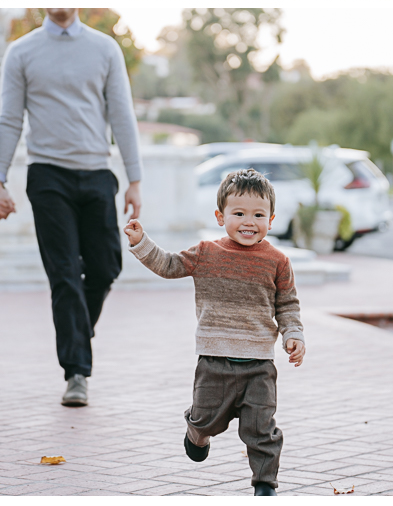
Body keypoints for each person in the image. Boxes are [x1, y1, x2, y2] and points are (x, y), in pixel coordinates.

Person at [0, 7, 142, 407]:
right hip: (47, 177)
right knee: (64, 275)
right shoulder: (21, 52)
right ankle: (76, 373)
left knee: (107, 266)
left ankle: (76, 333)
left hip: (96, 173)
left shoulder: (105, 48)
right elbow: (9, 119)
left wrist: (134, 180)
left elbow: (121, 114)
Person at [125, 169, 305, 497]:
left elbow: (288, 305)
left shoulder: (278, 261)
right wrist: (142, 243)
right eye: (238, 214)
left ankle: (265, 485)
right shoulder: (207, 253)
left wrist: (294, 334)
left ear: (272, 218)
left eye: (258, 215)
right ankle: (197, 432)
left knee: (261, 429)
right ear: (221, 216)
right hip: (214, 362)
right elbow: (168, 265)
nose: (248, 222)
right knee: (206, 417)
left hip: (259, 366)